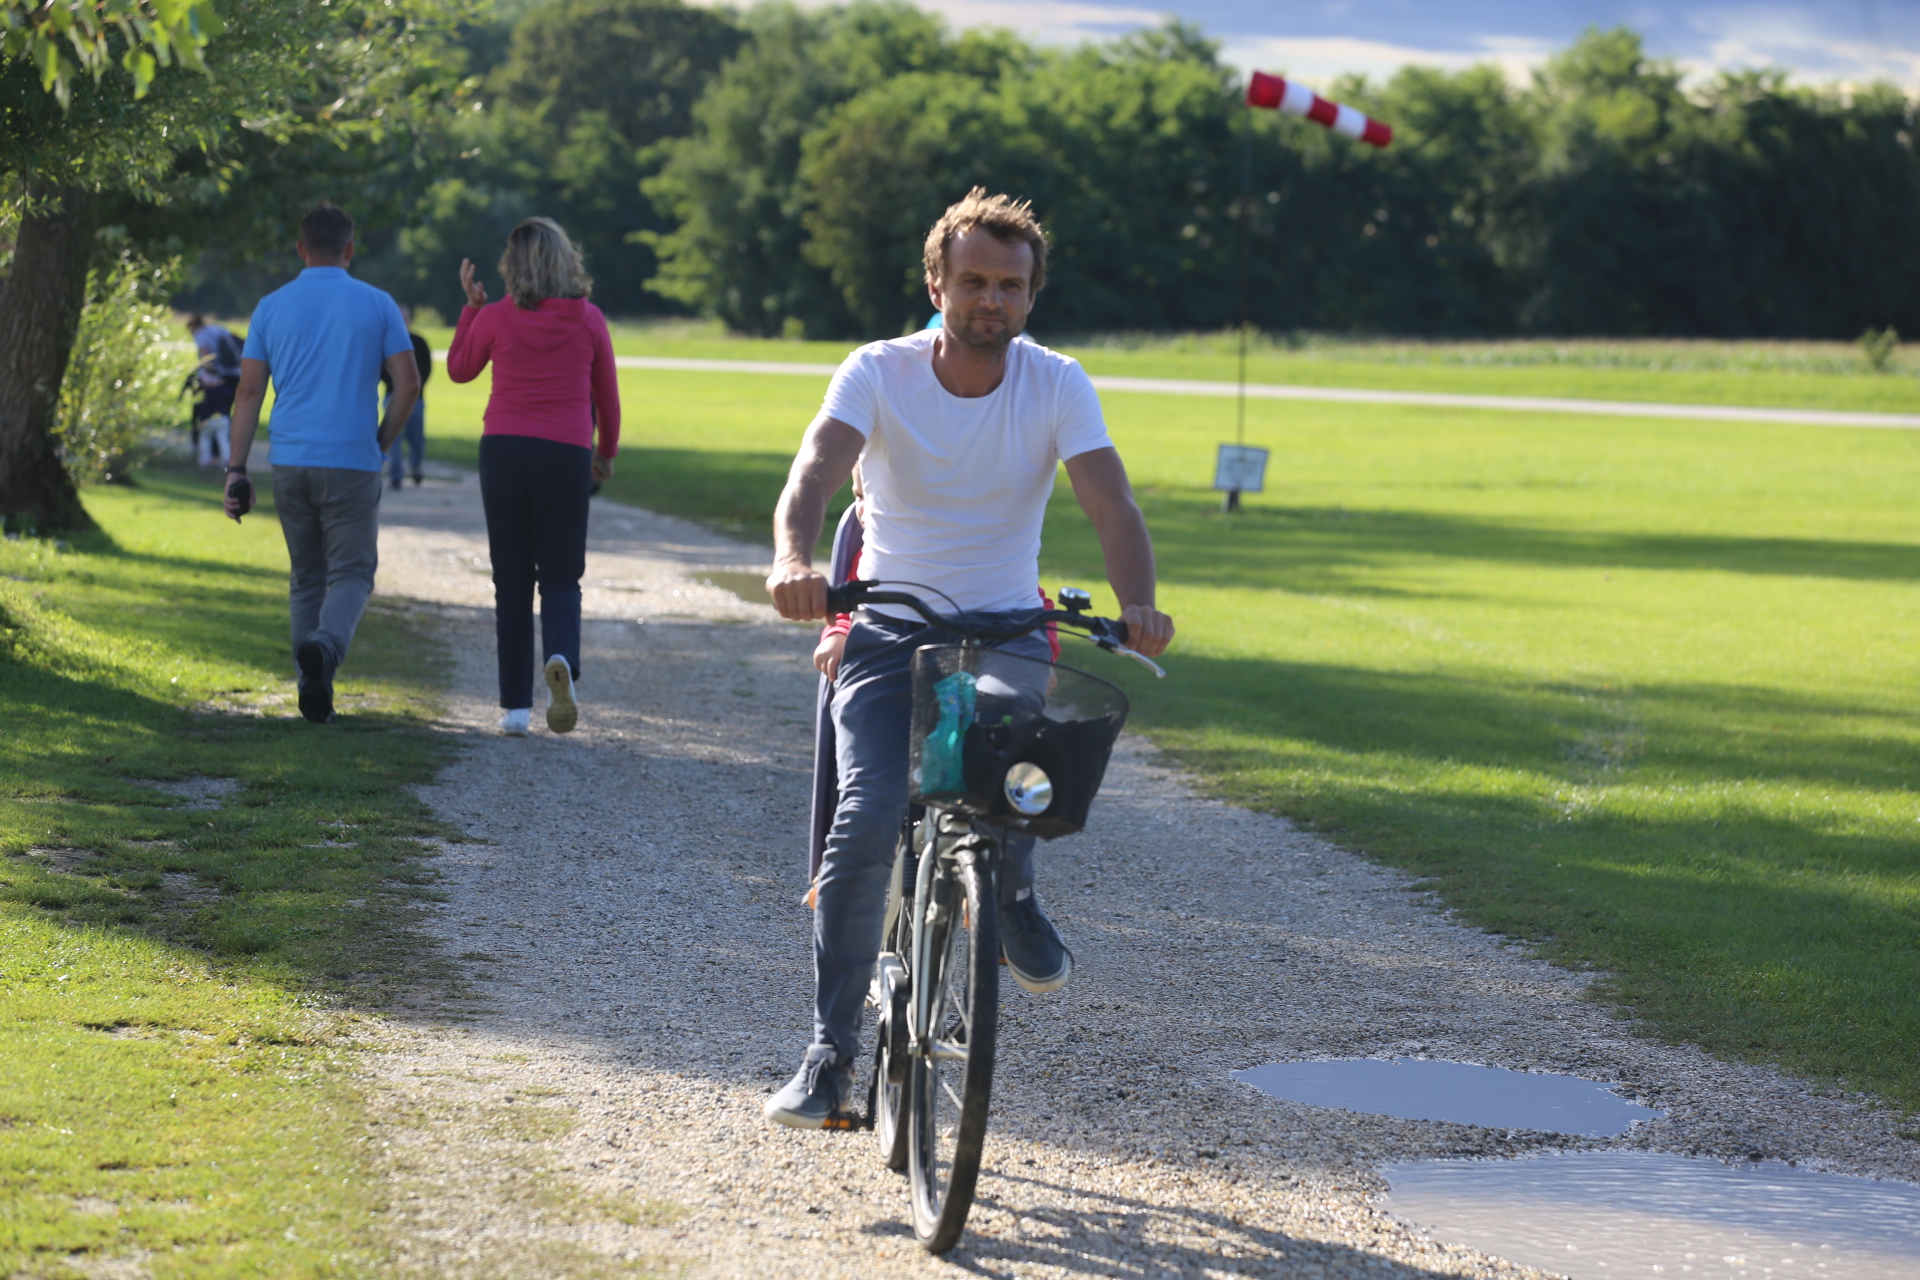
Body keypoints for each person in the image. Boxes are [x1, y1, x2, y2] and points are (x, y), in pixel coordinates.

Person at [763, 188, 1175, 1127]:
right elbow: (815, 474)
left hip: (1005, 626)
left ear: (1032, 297)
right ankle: (831, 1056)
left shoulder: (1055, 380)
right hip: (887, 630)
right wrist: (794, 560)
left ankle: (1013, 891)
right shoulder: (879, 370)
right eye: (975, 281)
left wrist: (1140, 602)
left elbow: (1112, 504)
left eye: (1012, 286)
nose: (993, 300)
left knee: (1004, 771)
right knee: (867, 820)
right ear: (937, 282)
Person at [222, 203, 421, 724]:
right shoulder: (379, 305)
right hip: (352, 460)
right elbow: (409, 383)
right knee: (353, 572)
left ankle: (312, 687)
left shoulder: (269, 307)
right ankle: (326, 648)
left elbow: (248, 391)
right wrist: (380, 442)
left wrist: (236, 469)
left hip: (290, 458)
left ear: (301, 249)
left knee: (306, 577)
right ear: (350, 250)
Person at [446, 217, 619, 736]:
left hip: (503, 450)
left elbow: (458, 368)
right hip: (565, 453)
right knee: (562, 576)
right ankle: (561, 659)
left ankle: (515, 709)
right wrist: (604, 454)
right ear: (566, 260)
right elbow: (607, 399)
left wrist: (471, 309)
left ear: (512, 265)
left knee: (512, 581)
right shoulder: (589, 319)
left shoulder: (497, 316)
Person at [381, 310, 433, 489]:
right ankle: (396, 475)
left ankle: (416, 467)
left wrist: (417, 386)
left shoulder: (418, 342)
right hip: (391, 395)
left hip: (416, 398)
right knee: (393, 437)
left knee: (416, 436)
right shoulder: (386, 341)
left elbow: (426, 368)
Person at [185, 313, 243, 467]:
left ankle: (207, 454)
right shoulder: (219, 329)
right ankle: (223, 453)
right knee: (225, 414)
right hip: (235, 375)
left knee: (206, 416)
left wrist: (208, 375)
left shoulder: (201, 336)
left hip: (217, 379)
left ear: (193, 327)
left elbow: (206, 359)